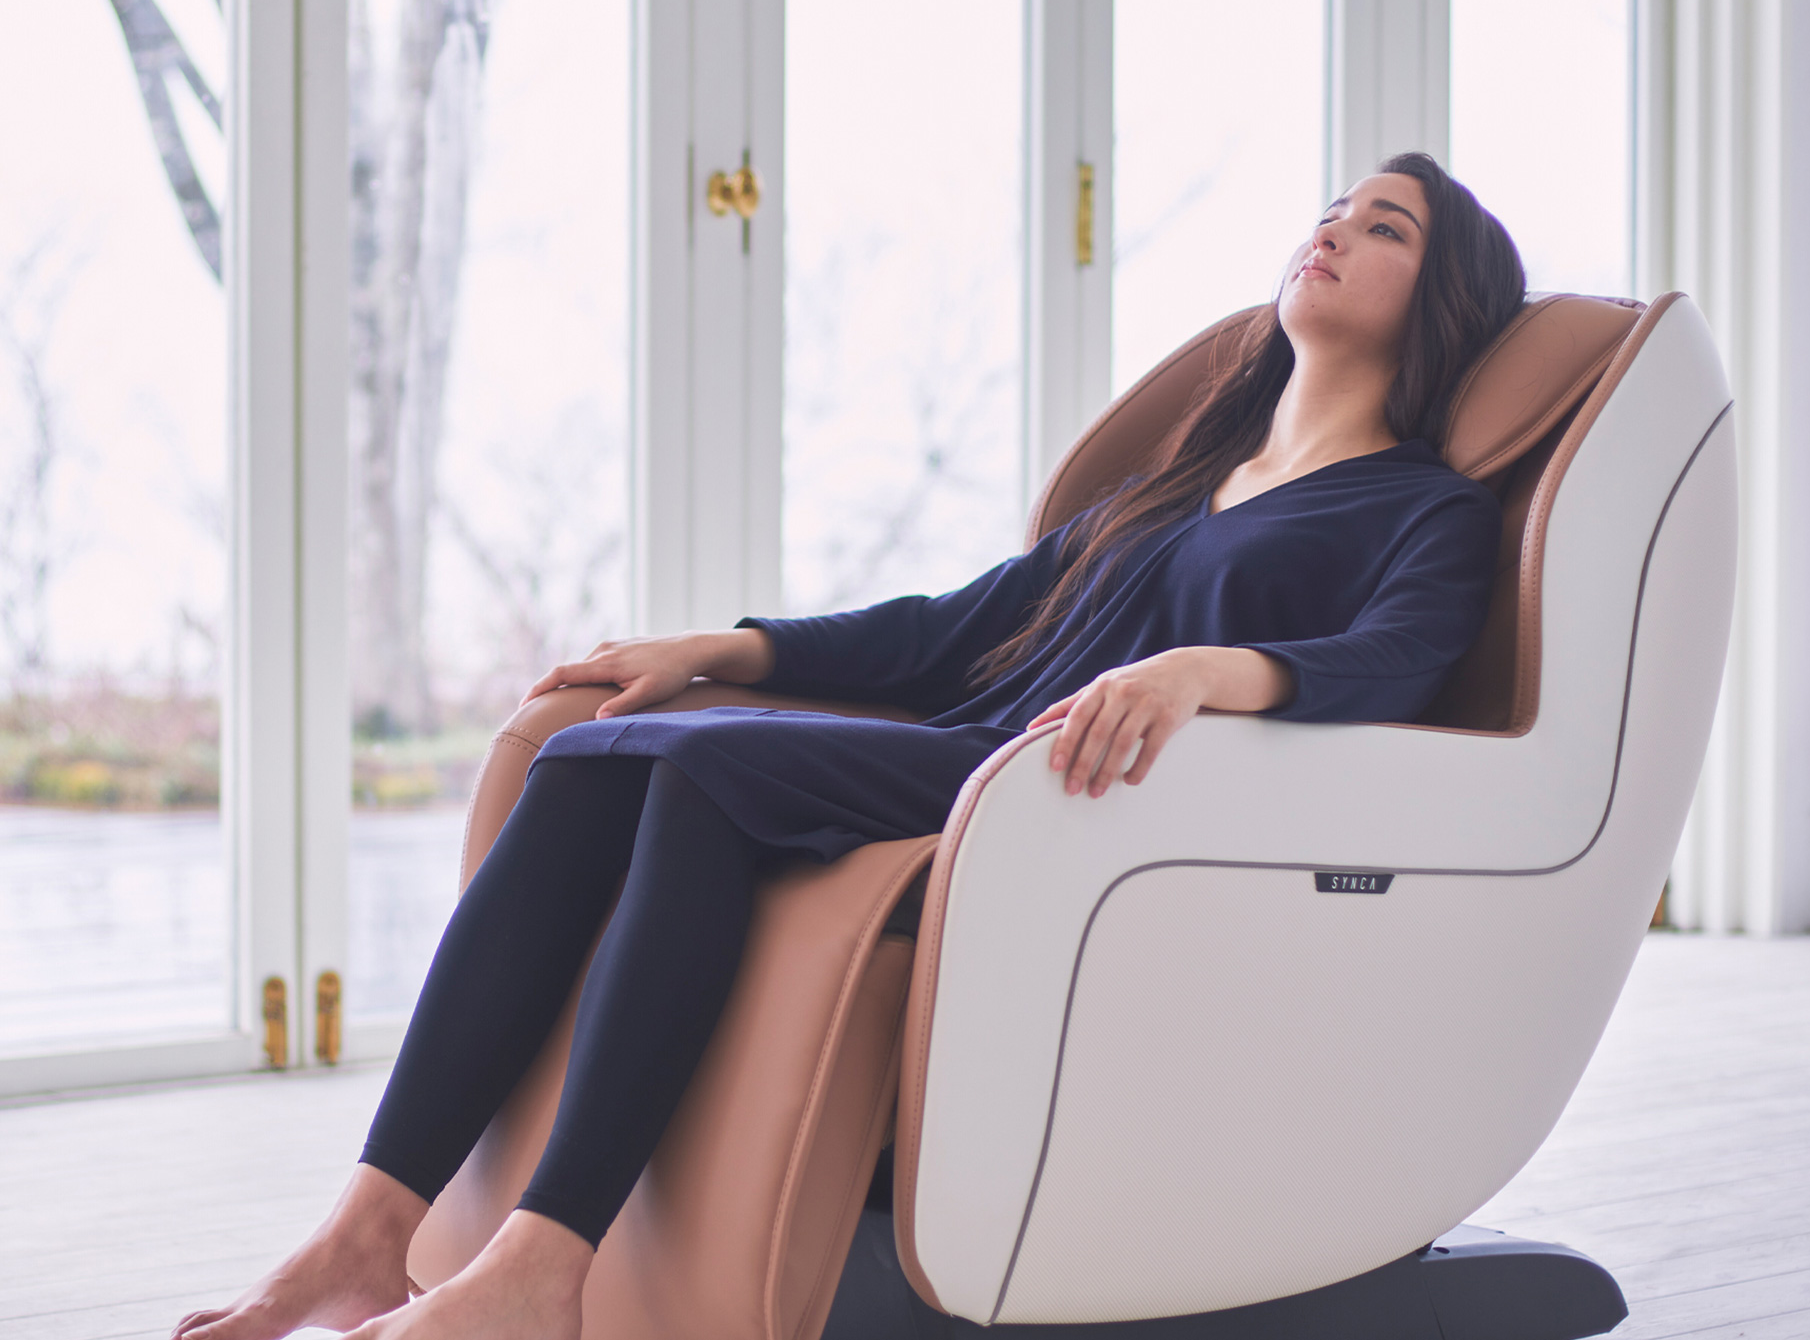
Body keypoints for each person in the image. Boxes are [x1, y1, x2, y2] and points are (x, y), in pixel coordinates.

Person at [173, 151, 1525, 1340]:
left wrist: (1197, 674)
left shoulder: (1426, 512)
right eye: (1333, 208)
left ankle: (542, 1265)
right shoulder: (1171, 486)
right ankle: (369, 1229)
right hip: (970, 750)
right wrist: (717, 649)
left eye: (1386, 226)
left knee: (706, 770)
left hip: (1071, 810)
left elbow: (1395, 661)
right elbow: (947, 630)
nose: (1333, 229)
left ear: (1441, 302)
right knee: (603, 745)